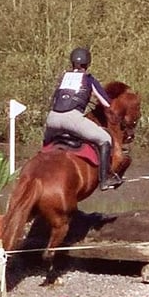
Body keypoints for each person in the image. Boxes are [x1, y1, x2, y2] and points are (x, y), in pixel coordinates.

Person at [45, 47, 123, 191]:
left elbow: (55, 99)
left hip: (52, 118)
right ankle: (105, 179)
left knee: (47, 145)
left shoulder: (63, 78)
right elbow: (106, 103)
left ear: (72, 62)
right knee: (105, 138)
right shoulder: (88, 79)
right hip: (72, 118)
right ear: (87, 63)